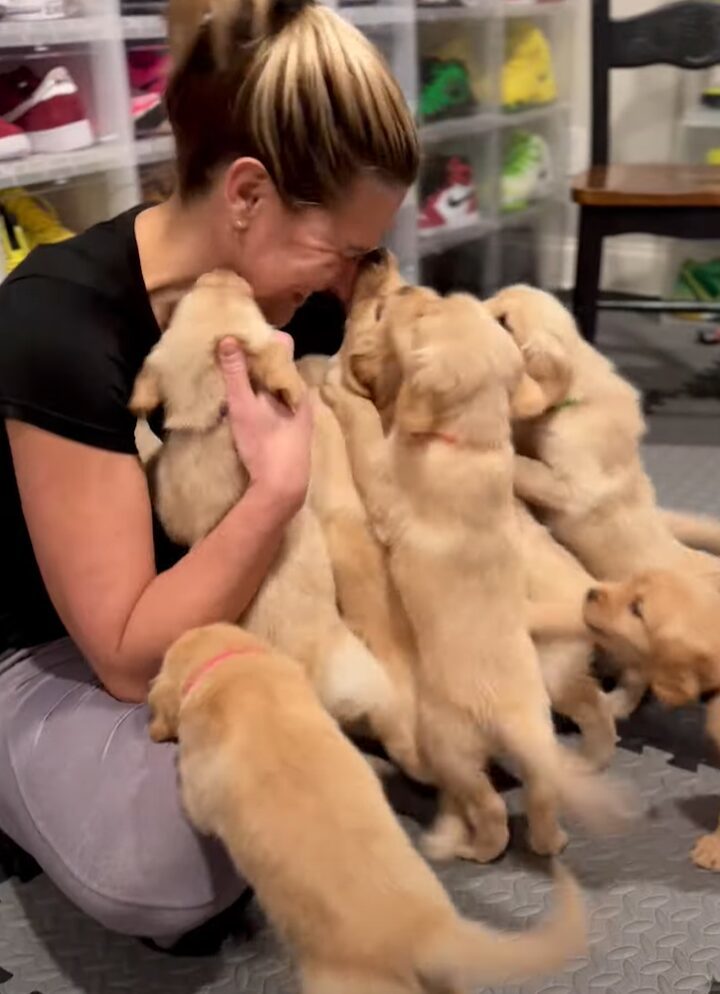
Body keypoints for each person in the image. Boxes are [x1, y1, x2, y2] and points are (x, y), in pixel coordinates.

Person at [0, 0, 418, 946]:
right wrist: (273, 494)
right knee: (173, 867)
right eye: (341, 251)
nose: (348, 281)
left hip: (226, 604)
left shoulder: (290, 293)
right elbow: (122, 657)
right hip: (56, 646)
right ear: (245, 195)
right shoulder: (56, 325)